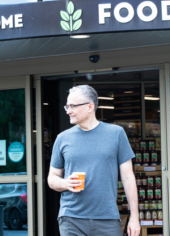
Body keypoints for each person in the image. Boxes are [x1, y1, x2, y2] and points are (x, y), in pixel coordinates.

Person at [48, 85, 140, 236]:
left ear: (90, 107)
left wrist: (135, 218)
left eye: (72, 106)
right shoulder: (62, 138)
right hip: (71, 218)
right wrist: (65, 183)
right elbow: (52, 178)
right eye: (67, 106)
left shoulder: (116, 134)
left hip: (107, 219)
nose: (68, 111)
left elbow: (128, 177)